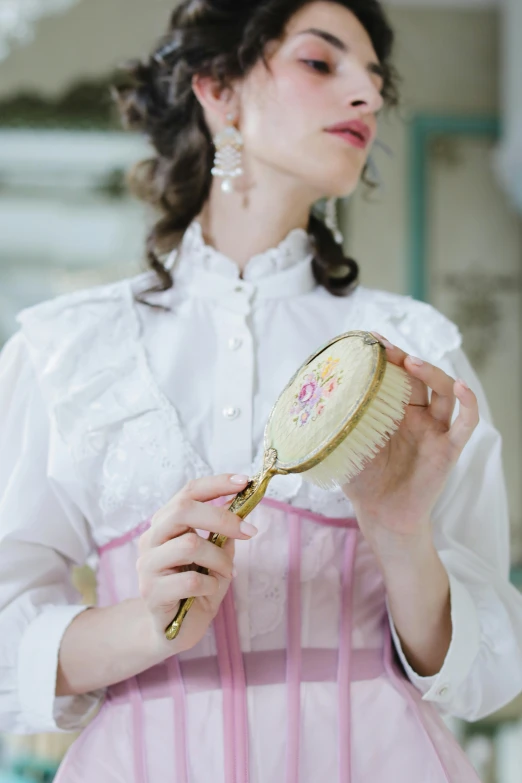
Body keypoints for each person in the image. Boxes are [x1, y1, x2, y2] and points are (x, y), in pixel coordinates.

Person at [1, 0, 522, 780]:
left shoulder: (417, 350)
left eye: (377, 80)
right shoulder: (62, 349)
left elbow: (488, 671)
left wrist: (399, 528)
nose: (368, 96)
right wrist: (148, 625)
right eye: (321, 62)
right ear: (218, 89)